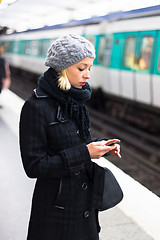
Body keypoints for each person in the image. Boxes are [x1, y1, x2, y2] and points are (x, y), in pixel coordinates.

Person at [19, 34, 121, 240]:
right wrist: (85, 153)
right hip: (56, 211)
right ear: (62, 67)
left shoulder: (75, 100)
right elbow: (34, 166)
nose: (88, 75)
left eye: (89, 68)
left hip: (85, 207)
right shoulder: (36, 106)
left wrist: (99, 147)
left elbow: (76, 144)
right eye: (81, 68)